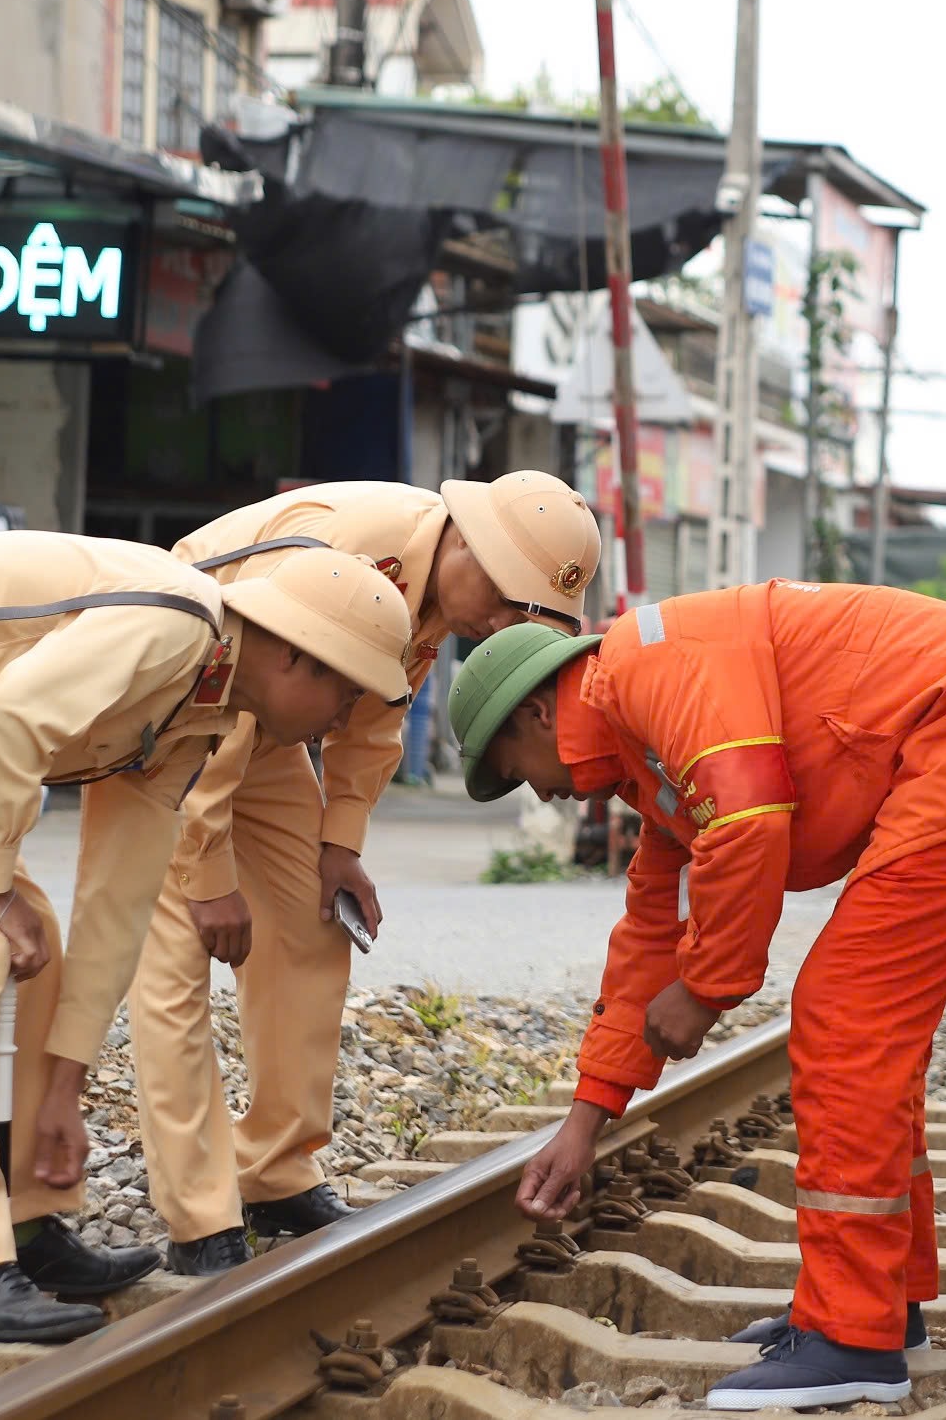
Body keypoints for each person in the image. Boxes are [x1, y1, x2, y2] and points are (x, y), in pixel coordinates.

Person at [448, 581, 946, 1411]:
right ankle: (883, 1301)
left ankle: (852, 1336)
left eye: (510, 771)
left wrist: (706, 988)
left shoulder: (647, 670)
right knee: (869, 1019)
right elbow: (645, 940)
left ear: (535, 716)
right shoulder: (644, 752)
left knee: (847, 1013)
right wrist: (585, 1117)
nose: (535, 791)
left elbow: (749, 821)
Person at [0, 535, 414, 1344]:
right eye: (346, 696)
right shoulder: (177, 627)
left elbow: (119, 895)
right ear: (297, 659)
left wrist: (67, 1083)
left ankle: (26, 1227)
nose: (346, 719)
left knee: (41, 960)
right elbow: (13, 715)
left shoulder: (202, 709)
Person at [124, 473, 601, 1275]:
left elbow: (374, 718)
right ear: (465, 540)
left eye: (524, 614)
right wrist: (207, 876)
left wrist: (337, 843)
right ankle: (199, 1209)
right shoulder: (346, 550)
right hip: (177, 704)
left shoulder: (434, 601)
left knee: (313, 924)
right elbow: (220, 717)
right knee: (177, 950)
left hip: (262, 723)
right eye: (505, 597)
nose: (498, 624)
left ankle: (274, 1172)